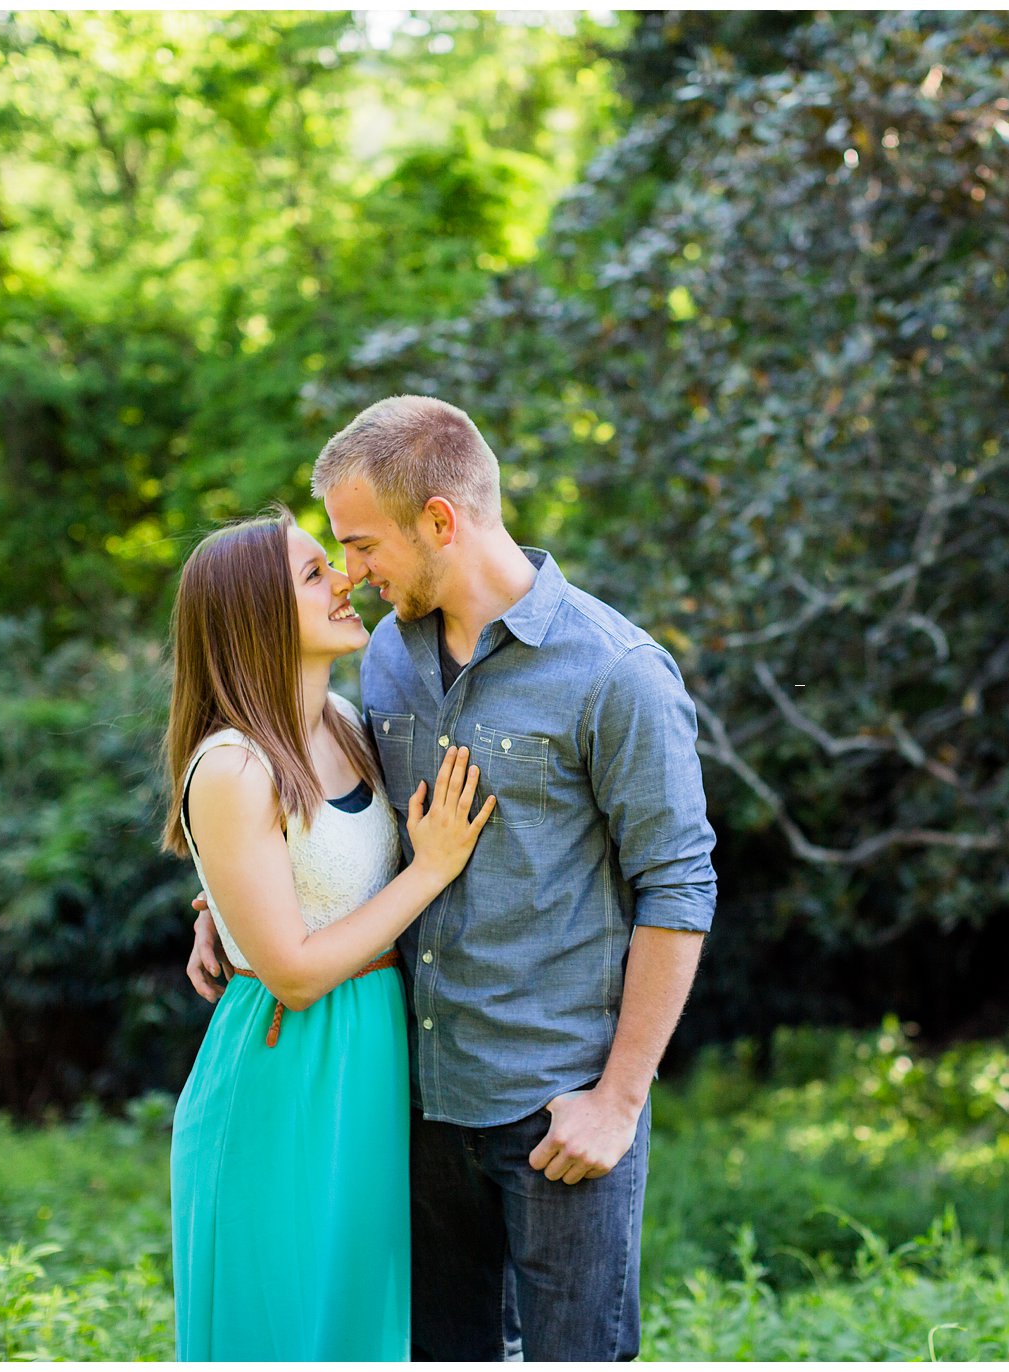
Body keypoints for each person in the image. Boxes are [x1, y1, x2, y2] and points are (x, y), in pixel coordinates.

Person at [186, 397, 717, 1361]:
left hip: (554, 1107)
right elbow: (332, 825)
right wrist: (229, 905)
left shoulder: (616, 674)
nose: (351, 574)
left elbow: (679, 888)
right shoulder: (384, 660)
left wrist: (620, 1101)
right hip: (409, 1102)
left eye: (358, 545)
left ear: (439, 521)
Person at [162, 504, 496, 1361]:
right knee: (287, 1328)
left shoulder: (349, 725)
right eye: (315, 574)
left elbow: (324, 877)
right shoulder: (234, 767)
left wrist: (221, 909)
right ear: (257, 616)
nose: (345, 578)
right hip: (287, 1070)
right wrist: (433, 867)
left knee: (363, 1326)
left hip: (372, 1060)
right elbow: (298, 974)